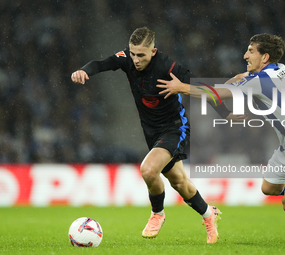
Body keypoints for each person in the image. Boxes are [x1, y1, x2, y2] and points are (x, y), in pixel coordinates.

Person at [157, 33, 285, 243]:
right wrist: (240, 79)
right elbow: (247, 82)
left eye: (251, 51)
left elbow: (218, 93)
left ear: (265, 57)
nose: (245, 55)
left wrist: (181, 87)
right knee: (269, 188)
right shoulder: (281, 70)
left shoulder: (259, 82)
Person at [71, 27, 244, 243]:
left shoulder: (167, 66)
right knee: (179, 182)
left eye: (141, 55)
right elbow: (101, 63)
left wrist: (225, 113)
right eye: (133, 53)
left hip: (174, 128)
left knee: (149, 170)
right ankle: (210, 214)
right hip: (151, 132)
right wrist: (84, 70)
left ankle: (157, 214)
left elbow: (201, 87)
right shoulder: (127, 58)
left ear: (153, 52)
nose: (135, 59)